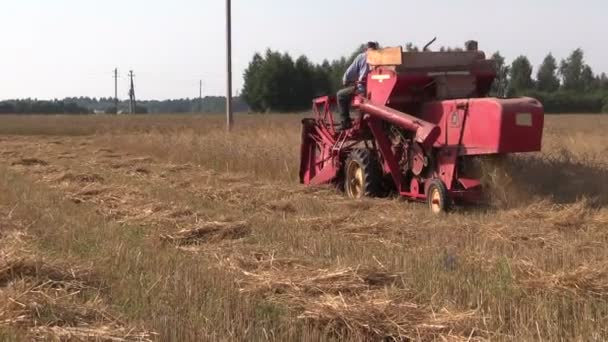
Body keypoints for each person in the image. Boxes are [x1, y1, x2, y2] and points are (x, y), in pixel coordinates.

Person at [337, 41, 379, 130]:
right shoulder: (381, 57)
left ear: (366, 49)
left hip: (363, 90)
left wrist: (345, 80)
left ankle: (345, 122)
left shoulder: (362, 57)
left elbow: (349, 73)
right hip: (378, 90)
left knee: (340, 95)